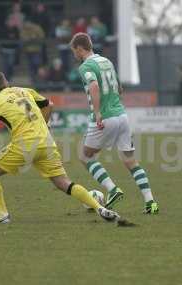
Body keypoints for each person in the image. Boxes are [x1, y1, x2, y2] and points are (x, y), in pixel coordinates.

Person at [0, 72, 120, 224]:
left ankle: (2, 214)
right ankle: (100, 208)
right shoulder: (24, 90)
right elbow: (49, 105)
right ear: (7, 82)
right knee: (63, 183)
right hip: (46, 143)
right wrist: (45, 126)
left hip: (25, 145)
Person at [70, 33, 159, 214]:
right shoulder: (106, 61)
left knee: (85, 156)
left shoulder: (86, 66)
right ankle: (151, 203)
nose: (74, 55)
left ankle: (112, 189)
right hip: (122, 116)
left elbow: (94, 86)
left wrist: (97, 112)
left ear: (79, 49)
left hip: (105, 117)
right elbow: (119, 88)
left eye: (74, 51)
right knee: (131, 161)